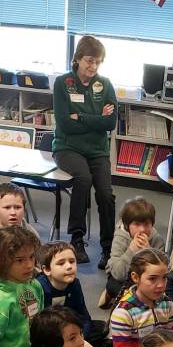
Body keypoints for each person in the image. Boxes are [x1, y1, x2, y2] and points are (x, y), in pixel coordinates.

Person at [52, 35, 117, 268]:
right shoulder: (62, 83)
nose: (93, 66)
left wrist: (80, 117)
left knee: (105, 194)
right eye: (89, 61)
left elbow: (110, 124)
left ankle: (109, 248)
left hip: (97, 150)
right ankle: (76, 240)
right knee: (83, 178)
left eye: (98, 62)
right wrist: (97, 118)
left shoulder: (105, 85)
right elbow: (64, 124)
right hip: (67, 148)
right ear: (78, 59)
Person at [109, 248, 173, 347]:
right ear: (135, 277)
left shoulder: (167, 304)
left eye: (164, 278)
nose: (161, 285)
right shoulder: (123, 314)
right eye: (152, 279)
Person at [37, 242, 109, 347]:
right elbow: (40, 327)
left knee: (101, 327)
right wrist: (78, 341)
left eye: (72, 261)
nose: (69, 266)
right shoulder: (39, 288)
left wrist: (81, 339)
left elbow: (84, 316)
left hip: (68, 328)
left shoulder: (75, 284)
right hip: (48, 331)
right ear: (47, 270)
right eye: (61, 263)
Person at [103, 197, 166, 306]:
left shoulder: (157, 239)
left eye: (146, 224)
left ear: (152, 225)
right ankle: (108, 294)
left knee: (160, 295)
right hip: (123, 278)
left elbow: (163, 271)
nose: (142, 229)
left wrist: (149, 252)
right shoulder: (120, 238)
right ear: (127, 226)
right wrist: (131, 251)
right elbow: (118, 274)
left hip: (148, 280)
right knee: (128, 294)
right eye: (137, 224)